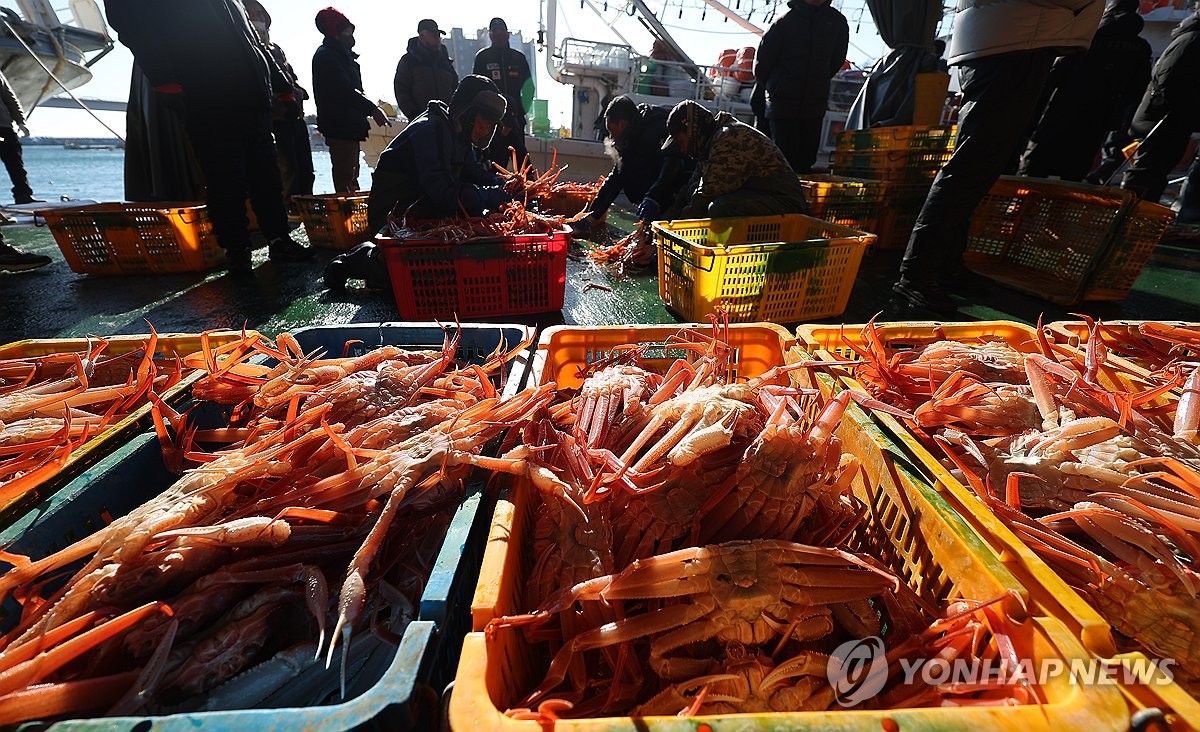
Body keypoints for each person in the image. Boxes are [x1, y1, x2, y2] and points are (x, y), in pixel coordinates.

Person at [891, 0, 1104, 313]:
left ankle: (945, 264)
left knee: (982, 167)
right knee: (970, 165)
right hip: (1013, 40)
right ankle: (917, 273)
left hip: (1014, 37)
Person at [105, 0, 314, 278]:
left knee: (266, 174)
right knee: (224, 177)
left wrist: (282, 87)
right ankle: (238, 251)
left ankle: (279, 239)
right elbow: (130, 23)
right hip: (204, 93)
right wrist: (165, 81)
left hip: (252, 95)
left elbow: (250, 41)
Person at [328, 75, 512, 291]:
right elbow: (443, 193)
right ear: (468, 112)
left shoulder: (459, 134)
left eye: (490, 125)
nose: (485, 130)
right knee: (416, 273)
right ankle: (360, 259)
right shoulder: (428, 130)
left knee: (465, 248)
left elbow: (477, 174)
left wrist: (509, 184)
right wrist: (493, 195)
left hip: (423, 210)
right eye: (483, 121)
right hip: (394, 218)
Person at [1019, 0, 1151, 181]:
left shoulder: (1087, 36)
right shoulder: (1141, 48)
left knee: (1031, 173)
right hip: (1097, 120)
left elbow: (1053, 76)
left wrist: (1032, 117)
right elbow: (1137, 91)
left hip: (1060, 112)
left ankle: (1024, 207)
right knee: (1072, 178)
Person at [662, 100, 809, 218]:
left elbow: (705, 196)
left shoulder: (729, 139)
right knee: (692, 190)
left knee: (720, 208)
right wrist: (661, 222)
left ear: (692, 130)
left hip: (785, 204)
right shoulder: (708, 143)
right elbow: (691, 189)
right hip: (760, 196)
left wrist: (666, 238)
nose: (682, 149)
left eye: (681, 142)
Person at [749, 0, 848, 173]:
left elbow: (836, 60)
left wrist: (817, 82)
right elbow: (761, 66)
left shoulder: (837, 22)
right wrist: (780, 88)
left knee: (806, 160)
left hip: (814, 107)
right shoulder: (783, 22)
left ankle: (797, 199)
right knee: (781, 162)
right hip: (782, 106)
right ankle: (779, 199)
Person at [577, 95, 691, 234]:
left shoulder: (656, 126)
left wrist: (653, 197)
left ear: (623, 124)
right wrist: (591, 217)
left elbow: (673, 164)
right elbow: (615, 180)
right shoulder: (627, 141)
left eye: (612, 131)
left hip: (674, 197)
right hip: (652, 200)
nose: (611, 137)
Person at [1121, 13, 1200, 208]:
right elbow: (1169, 81)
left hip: (1169, 118)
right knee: (1146, 173)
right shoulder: (1192, 40)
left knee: (1153, 173)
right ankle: (1127, 218)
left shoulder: (1190, 39)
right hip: (1161, 119)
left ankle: (1136, 218)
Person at [312, 7, 389, 193]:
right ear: (336, 32)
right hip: (340, 126)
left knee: (351, 175)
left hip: (348, 126)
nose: (351, 34)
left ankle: (350, 216)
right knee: (346, 178)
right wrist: (372, 109)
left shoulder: (339, 56)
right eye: (347, 30)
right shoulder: (327, 56)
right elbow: (345, 91)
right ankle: (345, 218)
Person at [246, 1, 315, 207]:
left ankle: (307, 207)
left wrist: (298, 92)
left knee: (305, 169)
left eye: (260, 14)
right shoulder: (250, 50)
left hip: (295, 117)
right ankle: (290, 209)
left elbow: (289, 77)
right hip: (276, 120)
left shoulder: (276, 49)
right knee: (288, 169)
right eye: (254, 14)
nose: (259, 18)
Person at [473, 17, 534, 167]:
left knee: (523, 166)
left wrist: (519, 112)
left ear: (508, 35)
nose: (499, 36)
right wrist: (491, 117)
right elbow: (476, 89)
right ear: (491, 35)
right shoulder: (483, 58)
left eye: (502, 34)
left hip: (515, 121)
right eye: (496, 34)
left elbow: (529, 88)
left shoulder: (518, 58)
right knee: (495, 166)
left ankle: (525, 190)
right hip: (492, 123)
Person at [394, 19, 458, 122]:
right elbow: (401, 90)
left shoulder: (446, 64)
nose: (438, 38)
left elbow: (455, 90)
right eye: (434, 34)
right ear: (422, 36)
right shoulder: (409, 61)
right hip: (420, 123)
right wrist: (414, 115)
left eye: (438, 35)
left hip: (446, 123)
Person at [0, 69, 40, 205]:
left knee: (15, 163)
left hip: (4, 127)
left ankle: (23, 196)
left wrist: (20, 121)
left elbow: (8, 97)